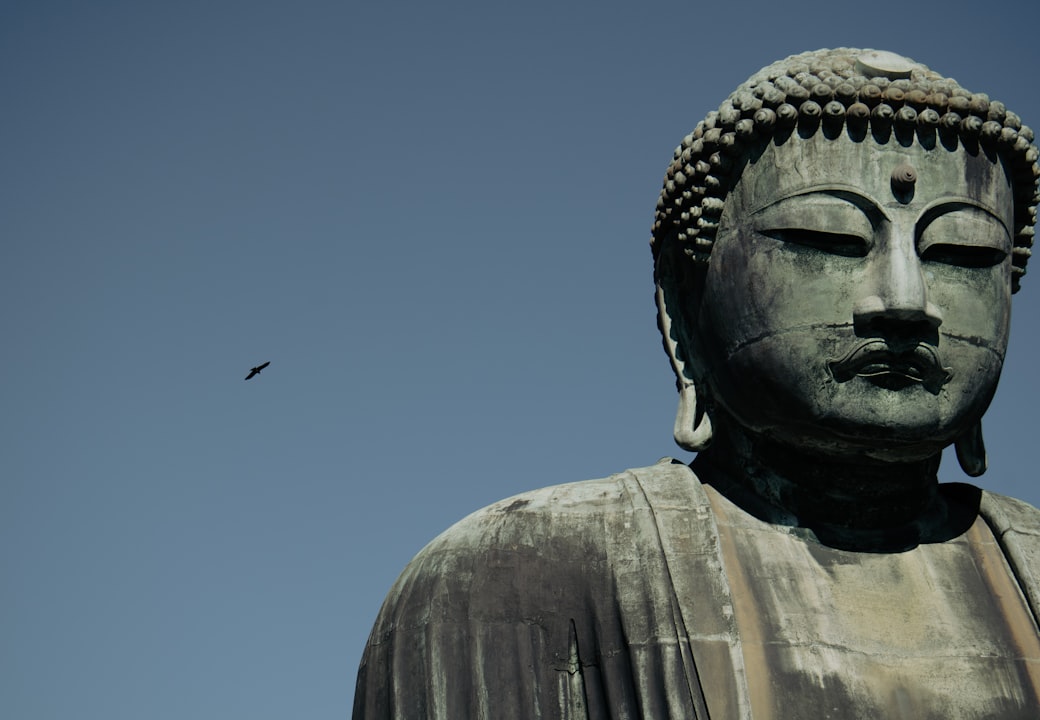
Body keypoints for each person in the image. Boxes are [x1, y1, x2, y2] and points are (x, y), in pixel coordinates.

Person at [352, 48, 1040, 719]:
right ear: (684, 299)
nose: (905, 300)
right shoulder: (509, 577)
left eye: (962, 253)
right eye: (826, 236)